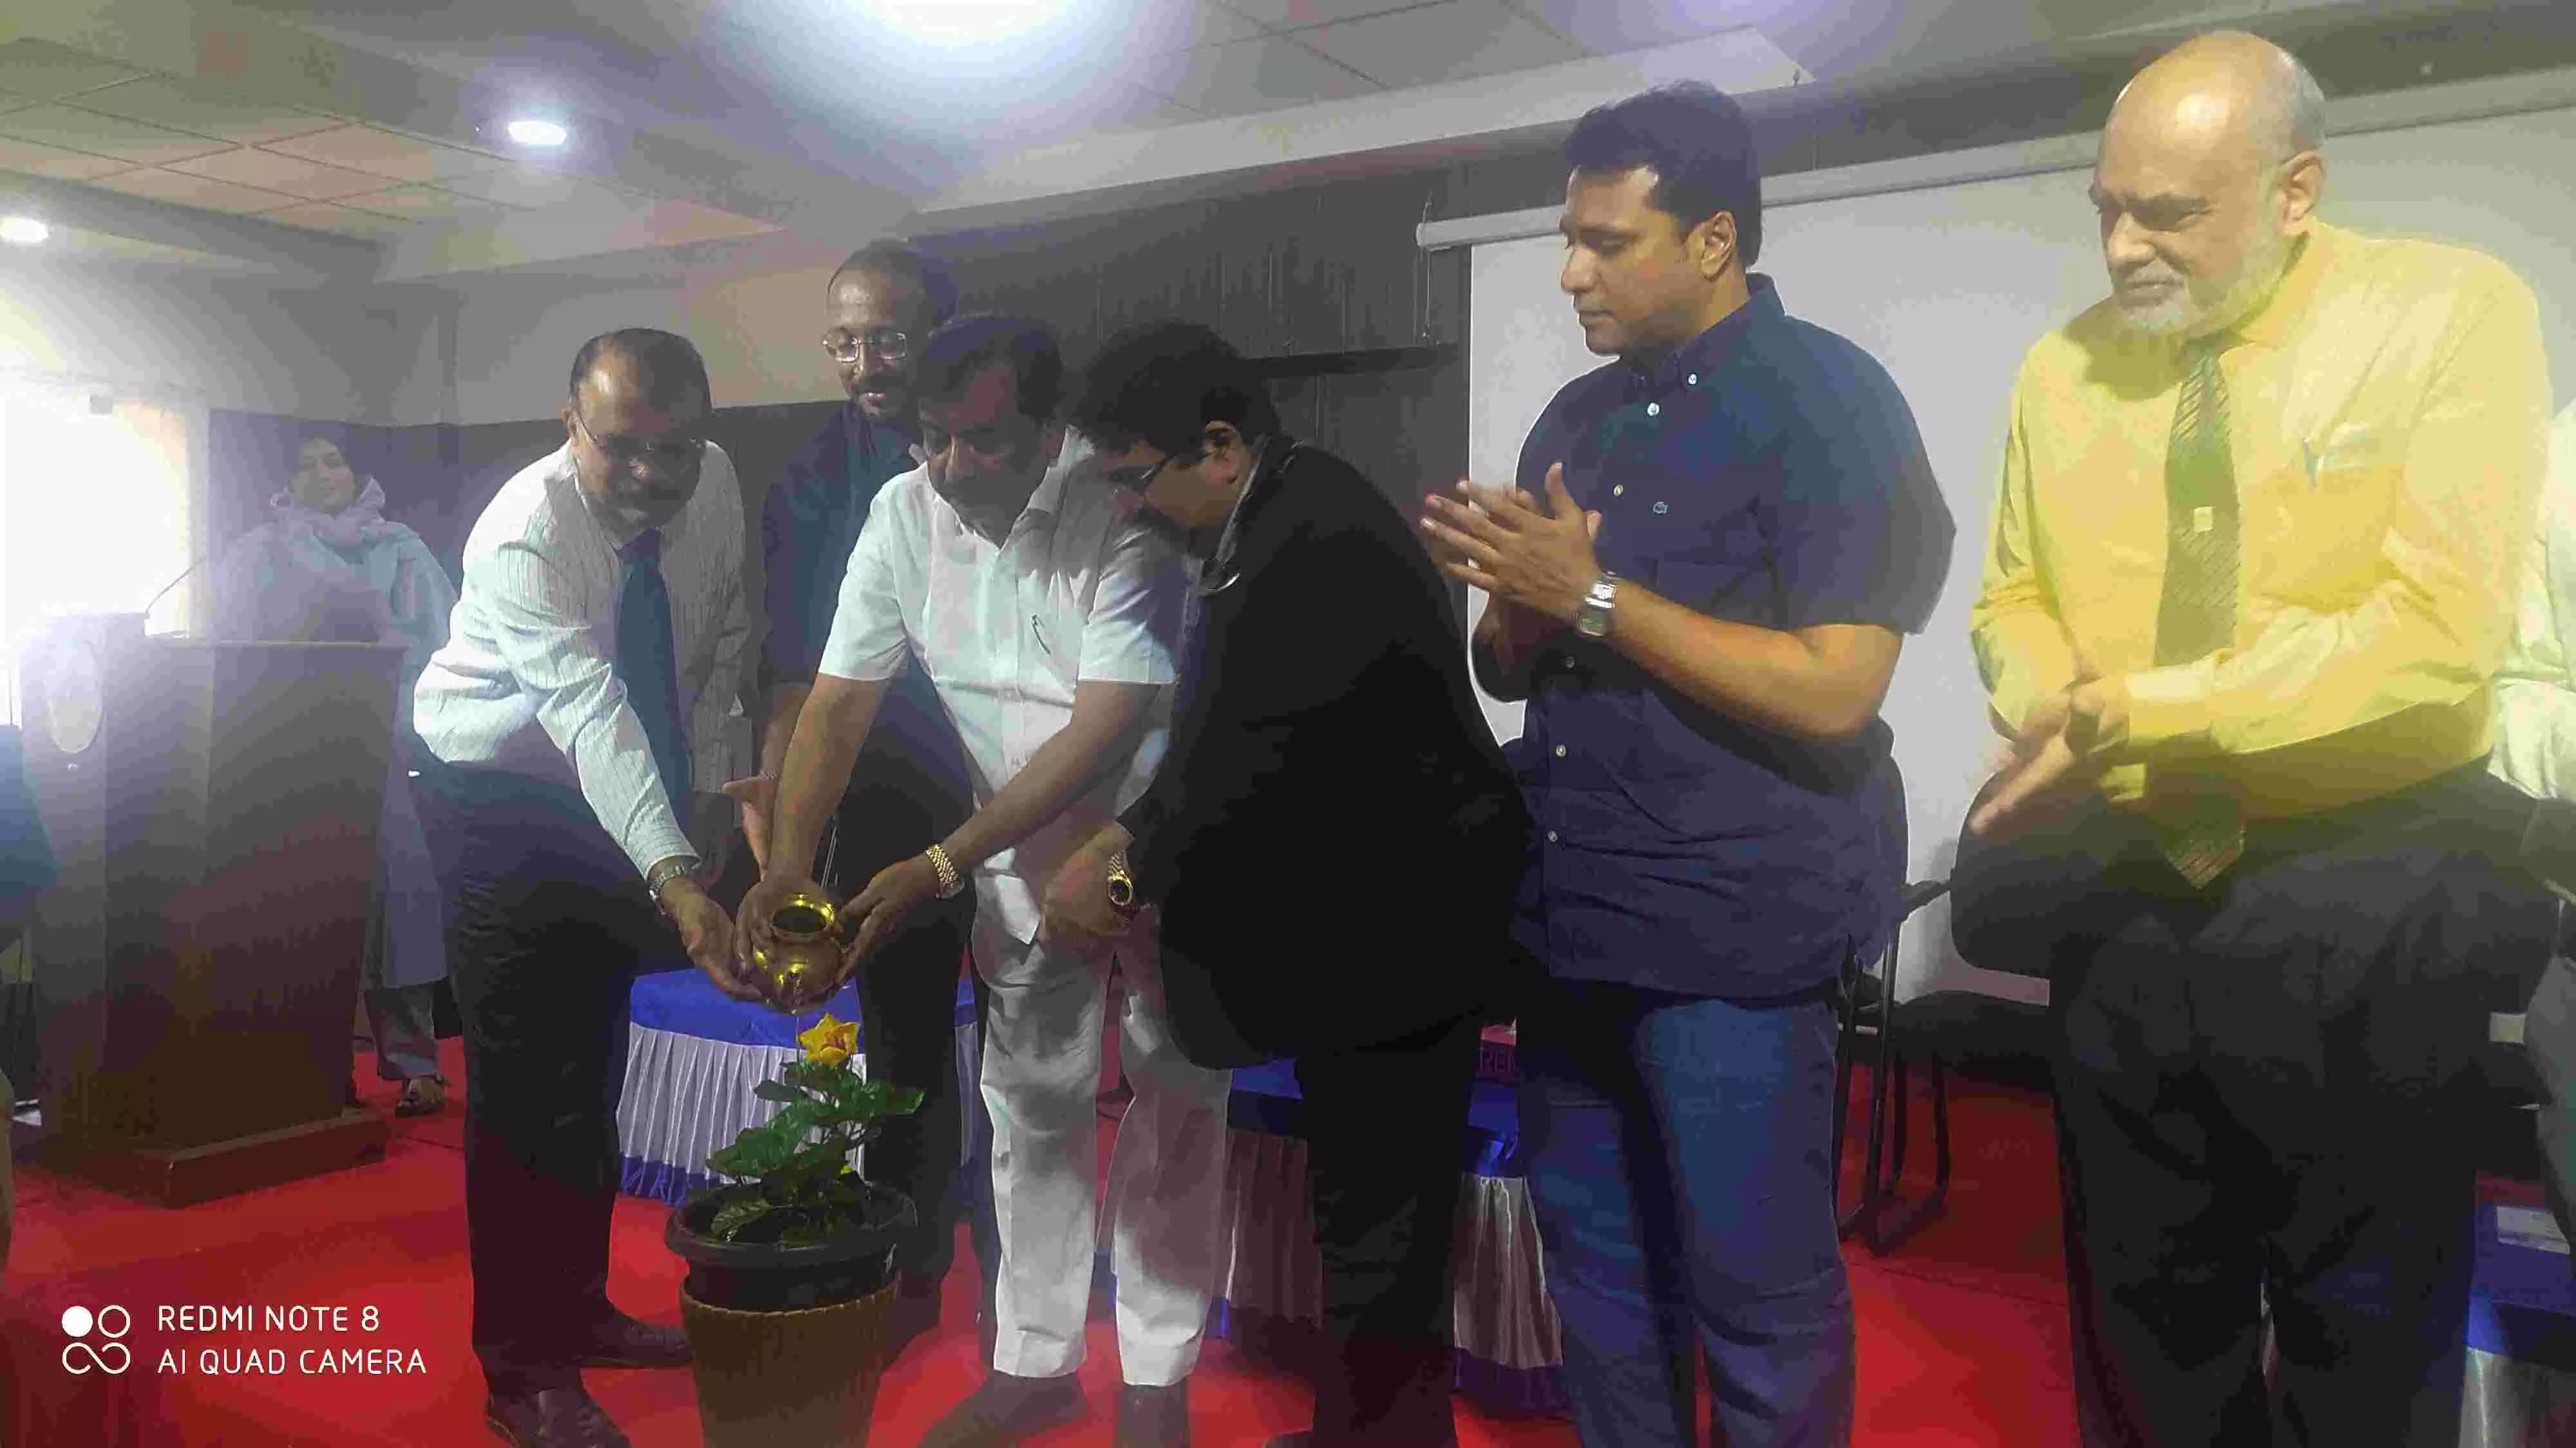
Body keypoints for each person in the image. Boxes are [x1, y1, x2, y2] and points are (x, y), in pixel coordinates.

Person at [1958, 32, 2554, 1446]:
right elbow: (2011, 595)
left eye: (2168, 212)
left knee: (2367, 1338)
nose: (2123, 247)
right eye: (2106, 208)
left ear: (2296, 191)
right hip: (2119, 885)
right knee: (2141, 1327)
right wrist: (2050, 701)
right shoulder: (2061, 368)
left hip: (2363, 891)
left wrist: (2142, 709)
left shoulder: (2446, 312)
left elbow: (2435, 628)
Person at [1421, 82, 1953, 1447]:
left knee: (1754, 1295)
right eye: (1568, 238)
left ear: (1713, 240)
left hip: (1735, 936)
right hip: (1570, 917)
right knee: (1598, 1277)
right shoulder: (1573, 419)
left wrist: (1591, 598)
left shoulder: (1831, 401)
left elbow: (1836, 688)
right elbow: (1507, 665)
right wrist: (1520, 604)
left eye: (1606, 242)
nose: (1570, 271)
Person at [1043, 321, 1534, 1448]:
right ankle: (1374, 1431)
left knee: (1382, 1224)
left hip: (1405, 935)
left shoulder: (1316, 538)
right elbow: (1218, 744)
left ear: (1219, 445)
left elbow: (1247, 760)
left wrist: (1121, 876)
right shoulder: (1271, 516)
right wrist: (1127, 837)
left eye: (1137, 479)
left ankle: (1384, 1439)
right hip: (1361, 933)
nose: (1131, 507)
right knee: (1366, 1215)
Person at [740, 316, 1225, 1448]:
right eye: (932, 439)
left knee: (1177, 1100)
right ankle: (1035, 1362)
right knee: (1031, 1108)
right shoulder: (902, 513)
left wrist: (939, 862)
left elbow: (1106, 727)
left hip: (1153, 841)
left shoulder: (1122, 506)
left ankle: (1157, 1377)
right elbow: (838, 703)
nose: (951, 469)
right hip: (1010, 855)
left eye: (985, 441)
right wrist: (786, 866)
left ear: (1051, 429)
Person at [412, 330, 759, 1448]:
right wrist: (673, 874)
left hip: (622, 783)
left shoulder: (716, 482)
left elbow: (721, 649)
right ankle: (522, 1371)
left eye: (678, 447)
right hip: (497, 794)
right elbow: (586, 709)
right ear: (572, 425)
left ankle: (581, 1308)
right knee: (526, 1089)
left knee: (593, 1066)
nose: (654, 473)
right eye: (622, 447)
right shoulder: (526, 527)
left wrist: (712, 807)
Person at [722, 240, 988, 1351]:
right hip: (891, 789)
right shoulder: (811, 480)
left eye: (888, 337)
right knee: (908, 1037)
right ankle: (913, 1265)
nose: (866, 362)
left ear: (940, 333)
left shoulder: (1007, 443)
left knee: (1034, 1036)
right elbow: (798, 670)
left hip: (1026, 772)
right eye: (844, 342)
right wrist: (783, 809)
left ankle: (1025, 1268)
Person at [214, 435, 459, 1115]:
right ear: (285, 480)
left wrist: (393, 711)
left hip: (384, 747)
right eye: (306, 463)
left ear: (357, 472)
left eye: (335, 461)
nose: (324, 474)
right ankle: (313, 1069)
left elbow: (444, 647)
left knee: (399, 908)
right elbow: (231, 655)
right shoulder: (258, 554)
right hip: (289, 757)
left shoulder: (400, 549)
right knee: (301, 914)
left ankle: (416, 1063)